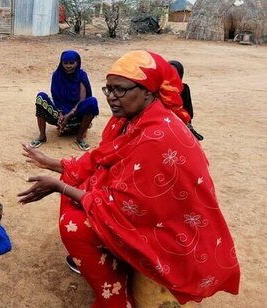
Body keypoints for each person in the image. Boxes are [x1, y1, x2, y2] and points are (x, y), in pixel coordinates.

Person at [18, 50, 240, 307]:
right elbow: (104, 157)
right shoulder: (137, 119)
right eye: (109, 89)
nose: (112, 97)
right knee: (82, 183)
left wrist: (60, 186)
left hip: (170, 232)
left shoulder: (158, 136)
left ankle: (113, 297)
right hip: (150, 211)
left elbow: (124, 205)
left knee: (75, 223)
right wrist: (56, 164)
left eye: (120, 90)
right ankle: (113, 265)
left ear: (148, 90)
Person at [30, 50, 99, 151]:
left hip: (76, 115)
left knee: (92, 102)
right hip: (59, 115)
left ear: (77, 63)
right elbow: (56, 97)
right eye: (65, 63)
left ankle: (79, 137)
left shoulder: (81, 75)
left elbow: (82, 100)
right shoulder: (57, 75)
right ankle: (42, 136)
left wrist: (69, 115)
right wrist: (60, 114)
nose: (68, 66)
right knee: (41, 97)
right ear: (61, 63)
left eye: (72, 63)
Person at [169, 60, 204, 141]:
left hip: (180, 121)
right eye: (169, 71)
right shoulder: (160, 88)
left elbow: (189, 110)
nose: (172, 74)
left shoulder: (184, 88)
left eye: (175, 72)